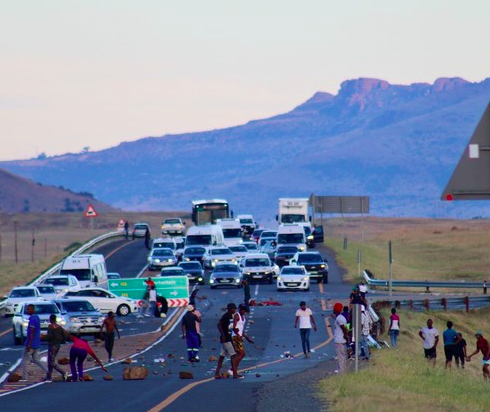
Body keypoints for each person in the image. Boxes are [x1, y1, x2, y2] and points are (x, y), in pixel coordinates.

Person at [21, 304, 48, 382]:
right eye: (27, 309)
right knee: (36, 360)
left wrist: (29, 344)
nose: (27, 311)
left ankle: (24, 377)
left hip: (31, 344)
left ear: (33, 310)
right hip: (37, 343)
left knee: (24, 360)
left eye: (29, 309)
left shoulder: (32, 319)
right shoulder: (37, 317)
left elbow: (32, 332)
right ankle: (47, 372)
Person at [214, 303, 242, 379]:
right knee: (233, 355)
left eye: (235, 308)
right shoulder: (226, 316)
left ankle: (216, 373)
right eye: (233, 308)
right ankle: (235, 373)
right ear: (229, 309)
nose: (234, 310)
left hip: (228, 337)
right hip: (226, 338)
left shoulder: (232, 316)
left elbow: (229, 327)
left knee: (222, 356)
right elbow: (219, 325)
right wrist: (223, 335)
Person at [45, 314, 68, 382]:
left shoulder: (50, 326)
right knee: (51, 360)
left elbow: (49, 336)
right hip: (58, 345)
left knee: (51, 362)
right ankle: (49, 376)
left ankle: (63, 372)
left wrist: (44, 338)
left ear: (50, 320)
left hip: (52, 344)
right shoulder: (59, 327)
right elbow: (64, 335)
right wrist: (62, 341)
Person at [232, 304, 254, 371]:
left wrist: (247, 338)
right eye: (242, 309)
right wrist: (238, 335)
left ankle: (234, 369)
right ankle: (233, 369)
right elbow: (234, 327)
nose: (243, 311)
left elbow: (242, 330)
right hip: (236, 337)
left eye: (244, 310)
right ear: (239, 309)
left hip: (239, 336)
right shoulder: (237, 316)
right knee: (242, 354)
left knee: (239, 354)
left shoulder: (243, 318)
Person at [333, 302, 349, 374]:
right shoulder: (340, 317)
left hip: (339, 340)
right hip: (341, 340)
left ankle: (342, 372)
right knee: (343, 356)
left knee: (341, 357)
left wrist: (346, 335)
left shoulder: (339, 318)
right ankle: (343, 370)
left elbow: (344, 328)